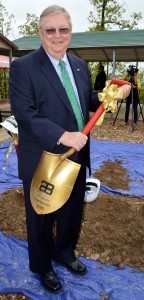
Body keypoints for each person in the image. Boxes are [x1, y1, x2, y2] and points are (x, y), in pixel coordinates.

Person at [9, 5, 131, 293]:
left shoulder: (78, 65)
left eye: (63, 29)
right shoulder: (23, 67)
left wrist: (107, 95)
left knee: (73, 210)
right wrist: (63, 135)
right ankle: (42, 266)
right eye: (50, 30)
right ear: (40, 33)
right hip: (44, 156)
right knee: (41, 215)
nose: (57, 35)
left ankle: (63, 252)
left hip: (77, 155)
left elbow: (83, 100)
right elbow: (24, 113)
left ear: (70, 32)